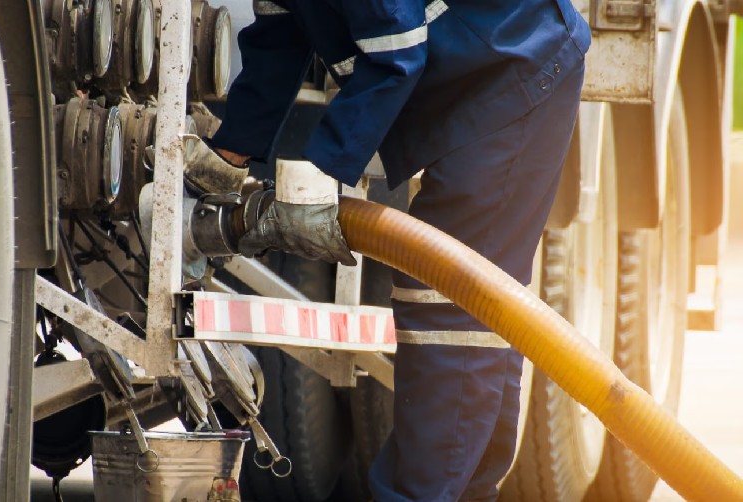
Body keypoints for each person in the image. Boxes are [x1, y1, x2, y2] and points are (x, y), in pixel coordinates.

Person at [185, 1, 590, 500]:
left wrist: (321, 173)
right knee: (481, 310)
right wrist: (231, 152)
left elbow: (397, 51)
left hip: (511, 73)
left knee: (451, 308)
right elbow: (282, 28)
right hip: (481, 68)